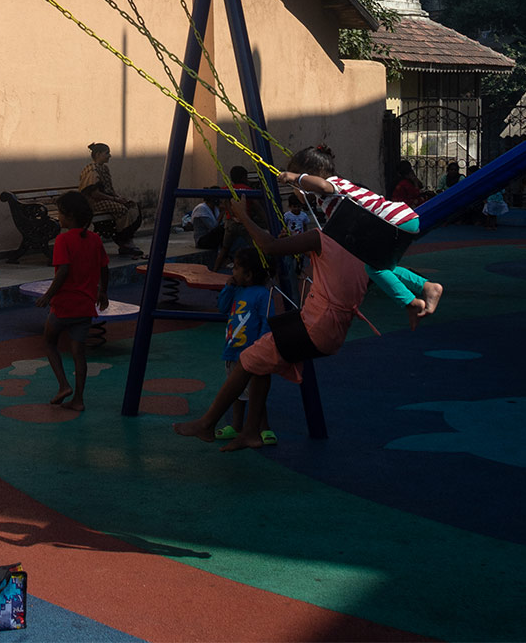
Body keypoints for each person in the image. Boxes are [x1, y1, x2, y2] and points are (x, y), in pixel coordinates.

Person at [176, 187, 370, 452]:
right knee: (260, 362)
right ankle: (251, 431)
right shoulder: (359, 247)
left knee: (246, 360)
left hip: (316, 326)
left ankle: (206, 424)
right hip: (332, 329)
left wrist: (242, 216)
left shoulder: (321, 238)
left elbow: (268, 246)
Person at [282, 147, 443, 327]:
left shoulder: (331, 185)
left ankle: (410, 302)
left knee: (374, 269)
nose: (294, 190)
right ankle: (427, 287)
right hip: (403, 219)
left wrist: (295, 177)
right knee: (381, 267)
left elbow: (322, 185)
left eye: (295, 186)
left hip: (394, 220)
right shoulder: (330, 196)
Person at [35, 190, 109, 414]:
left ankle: (63, 385)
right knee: (79, 353)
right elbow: (104, 267)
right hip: (85, 306)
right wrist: (103, 292)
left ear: (69, 216)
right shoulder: (94, 239)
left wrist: (48, 295)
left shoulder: (63, 239)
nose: (58, 217)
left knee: (49, 342)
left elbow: (63, 271)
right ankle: (78, 399)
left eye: (60, 213)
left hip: (64, 304)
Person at [214, 246, 274, 444]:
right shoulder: (236, 291)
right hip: (232, 351)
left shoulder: (262, 294)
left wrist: (261, 346)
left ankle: (264, 427)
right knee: (236, 391)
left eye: (236, 268)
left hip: (252, 352)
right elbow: (222, 307)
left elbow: (267, 320)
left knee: (255, 392)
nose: (233, 271)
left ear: (248, 274)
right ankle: (236, 425)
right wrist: (228, 287)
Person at [79, 143, 143, 256]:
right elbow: (95, 194)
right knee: (122, 210)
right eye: (107, 153)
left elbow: (109, 189)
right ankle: (123, 240)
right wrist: (115, 199)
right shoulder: (92, 170)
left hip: (105, 199)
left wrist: (119, 198)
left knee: (132, 206)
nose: (110, 156)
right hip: (94, 203)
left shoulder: (104, 168)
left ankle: (127, 238)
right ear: (98, 154)